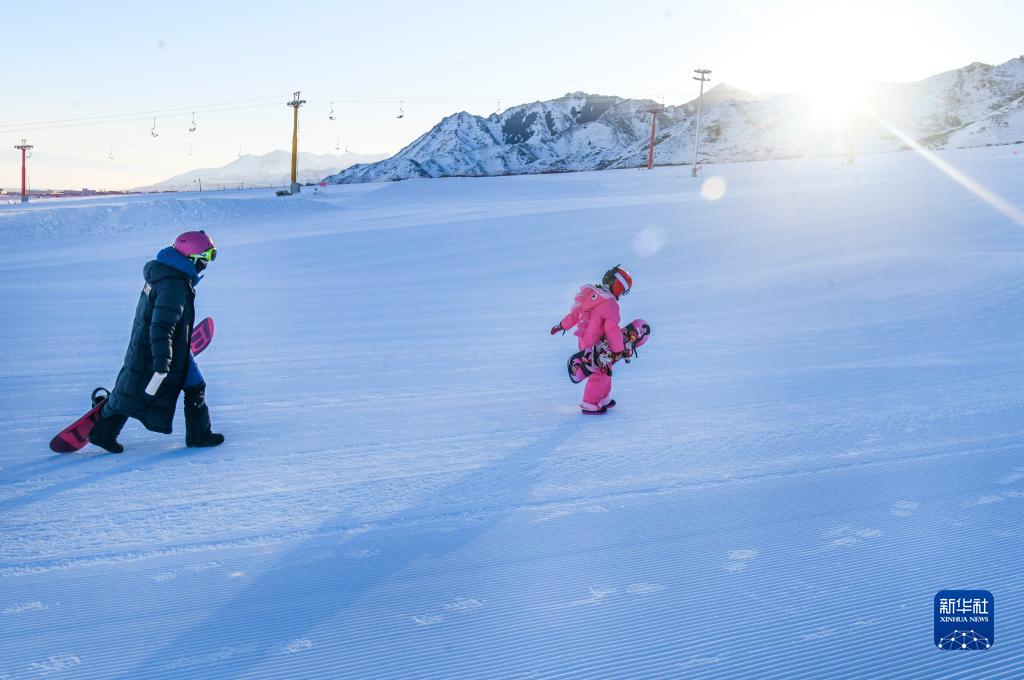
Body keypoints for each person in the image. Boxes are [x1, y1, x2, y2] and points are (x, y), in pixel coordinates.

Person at [88, 231, 224, 453]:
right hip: (156, 348)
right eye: (207, 256)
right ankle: (199, 436)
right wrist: (163, 361)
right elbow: (161, 326)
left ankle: (103, 433)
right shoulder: (174, 285)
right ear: (191, 257)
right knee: (191, 386)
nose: (208, 262)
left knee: (133, 388)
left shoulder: (166, 275)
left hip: (148, 346)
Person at [551, 265, 632, 414]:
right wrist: (619, 349)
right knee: (600, 373)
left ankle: (603, 398)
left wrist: (562, 325)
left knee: (605, 370)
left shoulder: (589, 294)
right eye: (622, 291)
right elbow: (612, 330)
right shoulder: (611, 305)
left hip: (584, 342)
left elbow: (574, 315)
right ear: (617, 288)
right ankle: (589, 403)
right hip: (597, 345)